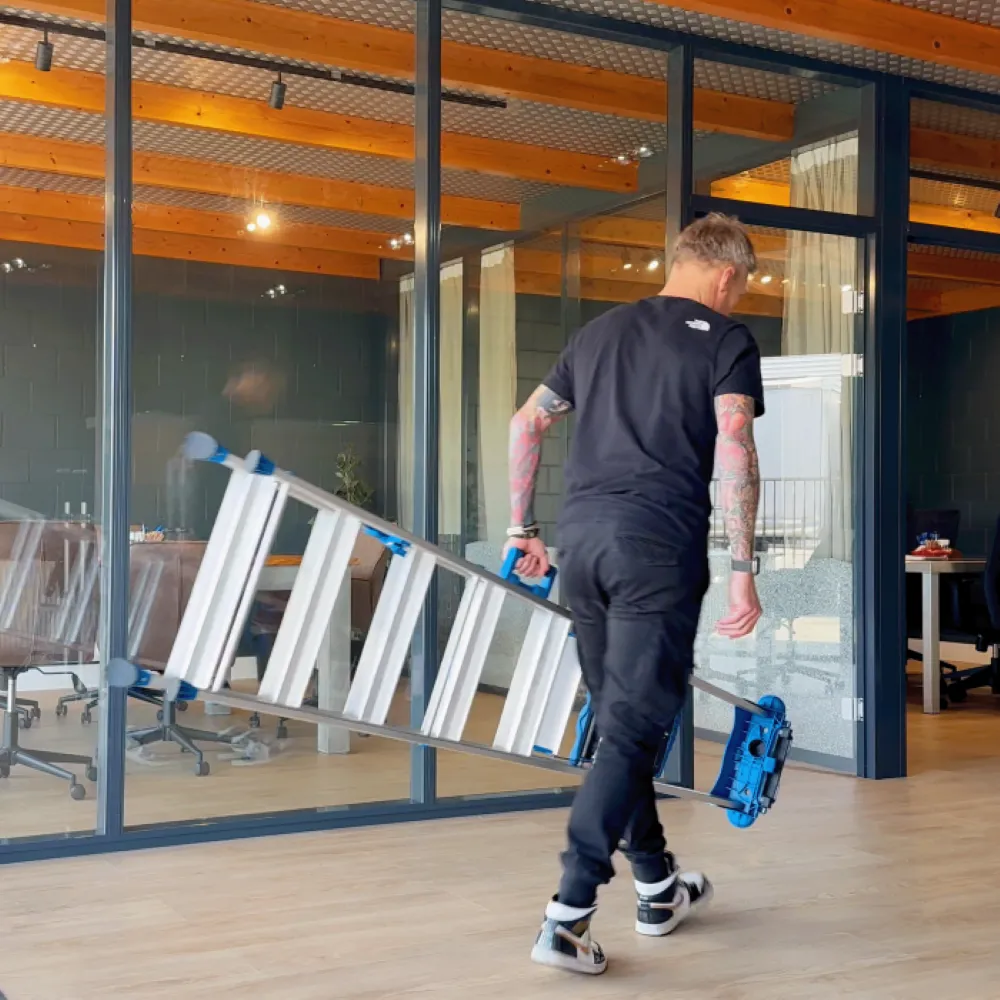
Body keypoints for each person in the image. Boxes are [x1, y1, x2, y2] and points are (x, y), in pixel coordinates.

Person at [506, 213, 765, 976]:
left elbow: (527, 424)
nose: (737, 299)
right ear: (726, 275)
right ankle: (567, 915)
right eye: (741, 287)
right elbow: (735, 448)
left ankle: (657, 887)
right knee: (629, 733)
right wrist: (743, 566)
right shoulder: (726, 339)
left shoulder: (597, 334)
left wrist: (522, 529)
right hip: (655, 551)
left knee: (621, 725)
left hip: (582, 546)